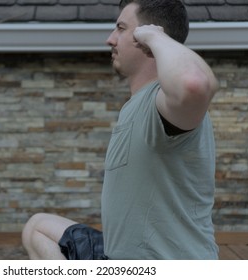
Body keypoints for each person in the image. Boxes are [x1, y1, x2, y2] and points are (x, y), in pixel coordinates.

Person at [22, 0, 219, 260]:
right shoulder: (135, 105)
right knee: (38, 228)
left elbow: (194, 84)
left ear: (148, 37)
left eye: (121, 28)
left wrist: (154, 37)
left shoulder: (161, 104)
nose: (110, 39)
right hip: (120, 259)